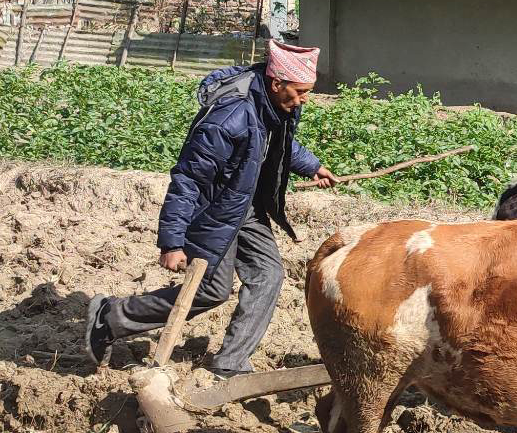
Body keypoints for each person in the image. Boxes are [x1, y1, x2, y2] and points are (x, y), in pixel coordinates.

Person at [85, 40, 337, 377]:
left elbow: (274, 142)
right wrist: (172, 241)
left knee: (269, 275)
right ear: (278, 84)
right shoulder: (228, 117)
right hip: (214, 211)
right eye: (301, 91)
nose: (305, 98)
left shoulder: (275, 104)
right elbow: (188, 178)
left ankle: (231, 362)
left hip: (244, 206)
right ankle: (112, 316)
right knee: (211, 291)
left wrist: (311, 165)